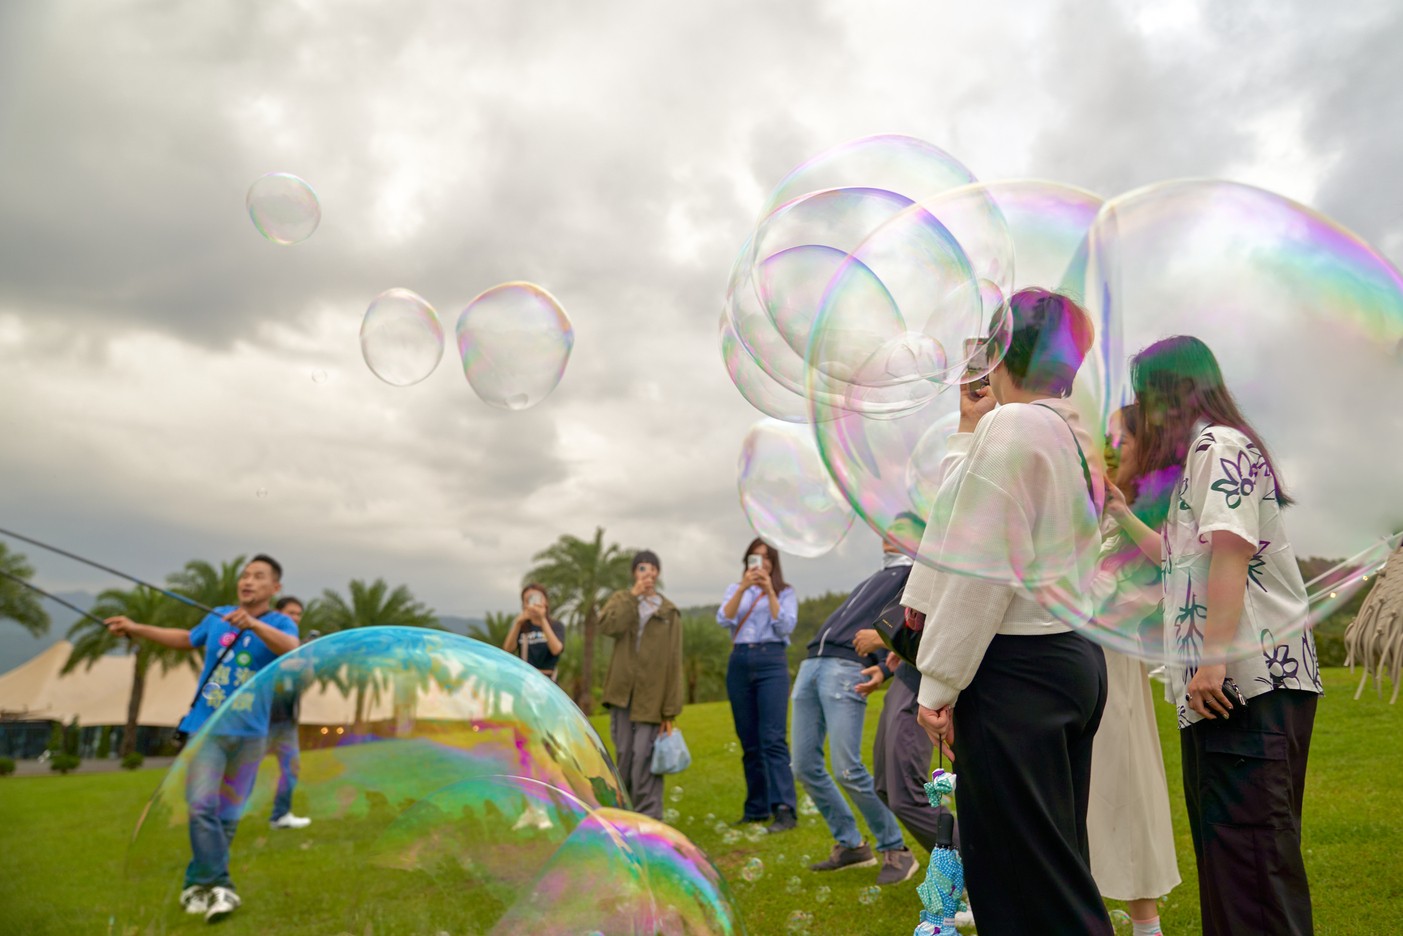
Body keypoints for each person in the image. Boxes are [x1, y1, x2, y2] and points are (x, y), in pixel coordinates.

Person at [904, 288, 1113, 934]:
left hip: (1017, 670)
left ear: (999, 353)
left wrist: (937, 681)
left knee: (1030, 894)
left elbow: (979, 562)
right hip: (1068, 660)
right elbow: (964, 509)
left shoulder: (1015, 427)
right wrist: (969, 427)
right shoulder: (1064, 432)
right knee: (1050, 865)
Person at [1107, 335, 1321, 936]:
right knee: (1231, 863)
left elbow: (1230, 551)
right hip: (1223, 690)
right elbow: (1183, 560)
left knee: (1252, 864)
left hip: (1244, 686)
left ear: (1168, 393)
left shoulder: (1217, 445)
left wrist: (1214, 661)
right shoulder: (1198, 460)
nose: (1141, 412)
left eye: (1144, 396)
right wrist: (1123, 514)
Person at [105, 554, 299, 924]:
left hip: (250, 733)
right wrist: (136, 628)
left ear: (275, 588)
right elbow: (184, 639)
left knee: (227, 816)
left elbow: (291, 649)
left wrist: (254, 626)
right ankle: (221, 885)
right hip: (205, 728)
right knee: (201, 807)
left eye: (258, 577)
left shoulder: (279, 621)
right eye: (244, 575)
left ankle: (196, 886)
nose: (247, 581)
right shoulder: (218, 615)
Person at [1087, 406, 1180, 935]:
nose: (1108, 449)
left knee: (1123, 793)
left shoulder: (1152, 516)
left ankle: (1147, 927)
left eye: (1118, 441)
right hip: (1076, 666)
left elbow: (1137, 596)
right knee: (1081, 802)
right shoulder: (1098, 512)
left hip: (1111, 671)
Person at [791, 537, 919, 887]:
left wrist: (884, 667)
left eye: (895, 530)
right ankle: (851, 845)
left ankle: (896, 850)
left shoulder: (915, 573)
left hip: (847, 667)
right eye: (882, 531)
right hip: (812, 661)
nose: (884, 536)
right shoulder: (876, 576)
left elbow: (914, 627)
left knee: (847, 768)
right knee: (802, 765)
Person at [849, 512, 957, 857]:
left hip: (920, 693)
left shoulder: (932, 570)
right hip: (905, 683)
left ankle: (971, 869)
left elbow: (942, 633)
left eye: (899, 532)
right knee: (884, 788)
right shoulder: (917, 574)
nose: (888, 536)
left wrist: (882, 640)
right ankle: (966, 866)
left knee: (906, 794)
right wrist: (887, 667)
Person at [717, 538, 799, 833]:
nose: (760, 563)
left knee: (773, 738)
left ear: (773, 563)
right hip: (739, 661)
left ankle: (785, 809)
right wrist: (742, 588)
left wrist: (769, 593)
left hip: (771, 660)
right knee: (749, 740)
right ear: (747, 561)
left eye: (766, 558)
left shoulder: (785, 592)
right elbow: (723, 618)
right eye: (755, 557)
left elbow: (785, 626)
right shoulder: (735, 589)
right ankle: (756, 808)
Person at [598, 549, 683, 821]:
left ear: (658, 573)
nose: (648, 573)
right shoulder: (622, 600)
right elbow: (609, 626)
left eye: (652, 568)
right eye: (642, 568)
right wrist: (632, 597)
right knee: (623, 757)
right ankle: (624, 819)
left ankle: (649, 822)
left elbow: (674, 661)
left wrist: (669, 712)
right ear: (634, 573)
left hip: (652, 699)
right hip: (623, 694)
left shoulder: (669, 612)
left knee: (644, 761)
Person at [267, 596, 312, 830]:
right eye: (290, 613)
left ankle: (280, 815)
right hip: (261, 719)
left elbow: (304, 683)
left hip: (286, 721)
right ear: (277, 613)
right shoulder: (267, 641)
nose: (294, 618)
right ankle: (223, 814)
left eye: (298, 614)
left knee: (291, 769)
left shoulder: (297, 649)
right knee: (242, 769)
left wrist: (307, 664)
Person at [504, 583, 566, 680]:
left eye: (537, 598)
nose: (533, 603)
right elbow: (508, 650)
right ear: (524, 604)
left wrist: (542, 619)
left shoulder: (556, 626)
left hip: (549, 682)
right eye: (528, 599)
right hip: (525, 681)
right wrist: (517, 623)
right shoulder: (522, 627)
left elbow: (556, 650)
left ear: (546, 602)